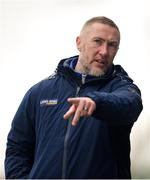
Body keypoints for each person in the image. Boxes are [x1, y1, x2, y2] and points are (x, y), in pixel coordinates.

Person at [5, 16, 143, 179]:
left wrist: (96, 102)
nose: (104, 51)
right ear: (79, 43)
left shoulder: (123, 88)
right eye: (97, 41)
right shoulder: (40, 92)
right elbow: (17, 148)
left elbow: (129, 105)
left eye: (112, 45)